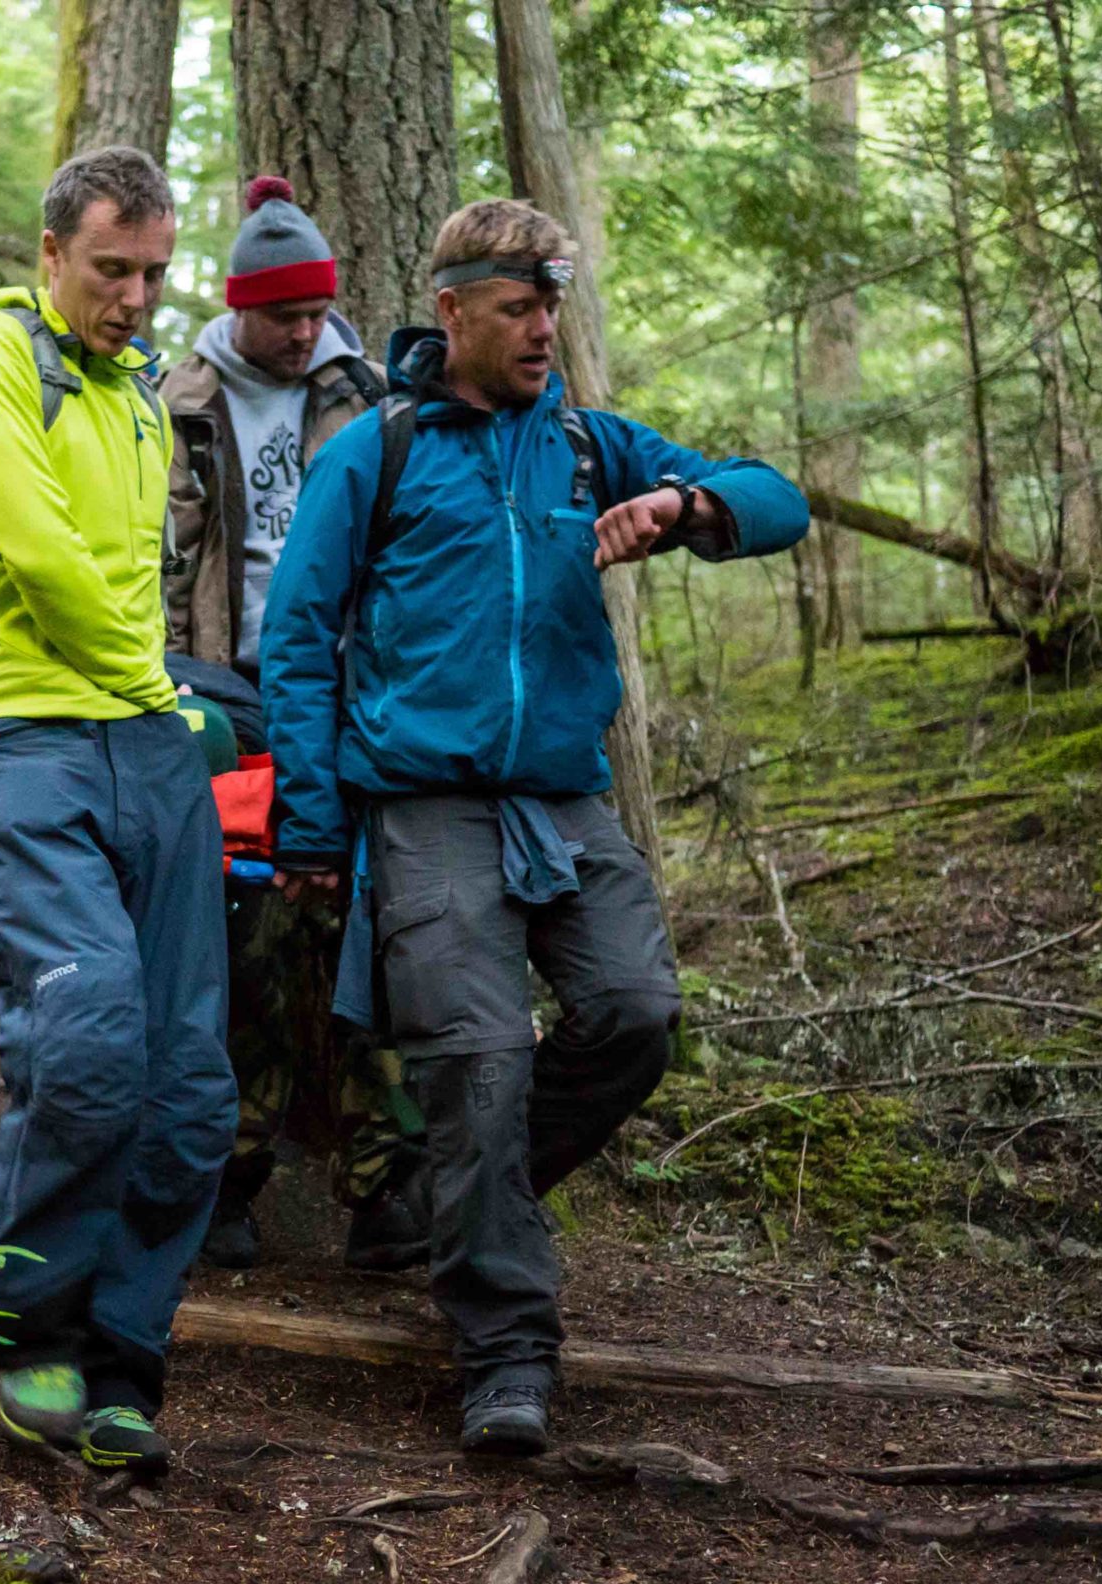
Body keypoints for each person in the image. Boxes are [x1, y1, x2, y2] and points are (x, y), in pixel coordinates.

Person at [261, 199, 808, 1457]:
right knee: (477, 1053)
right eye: (518, 306)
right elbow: (294, 636)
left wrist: (677, 506)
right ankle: (504, 1348)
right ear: (450, 312)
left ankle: (430, 1197)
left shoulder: (581, 445)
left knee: (633, 1015)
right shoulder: (380, 450)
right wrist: (307, 820)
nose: (542, 329)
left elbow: (771, 498)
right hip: (423, 803)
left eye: (552, 306)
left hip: (559, 799)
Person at [0, 146, 237, 1477]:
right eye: (113, 268)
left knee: (191, 1085)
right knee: (91, 1031)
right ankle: (24, 1323)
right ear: (51, 253)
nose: (135, 295)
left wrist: (163, 708)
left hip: (142, 742)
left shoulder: (149, 398)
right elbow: (47, 558)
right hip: (19, 733)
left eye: (156, 272)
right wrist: (162, 691)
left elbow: (136, 571)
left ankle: (122, 1352)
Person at [161, 174, 427, 1273]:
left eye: (316, 312)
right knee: (248, 937)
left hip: (352, 701)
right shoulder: (177, 399)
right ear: (239, 306)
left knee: (370, 932)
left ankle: (382, 1187)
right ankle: (229, 1175)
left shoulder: (367, 396)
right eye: (283, 315)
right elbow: (156, 562)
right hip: (227, 697)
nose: (303, 331)